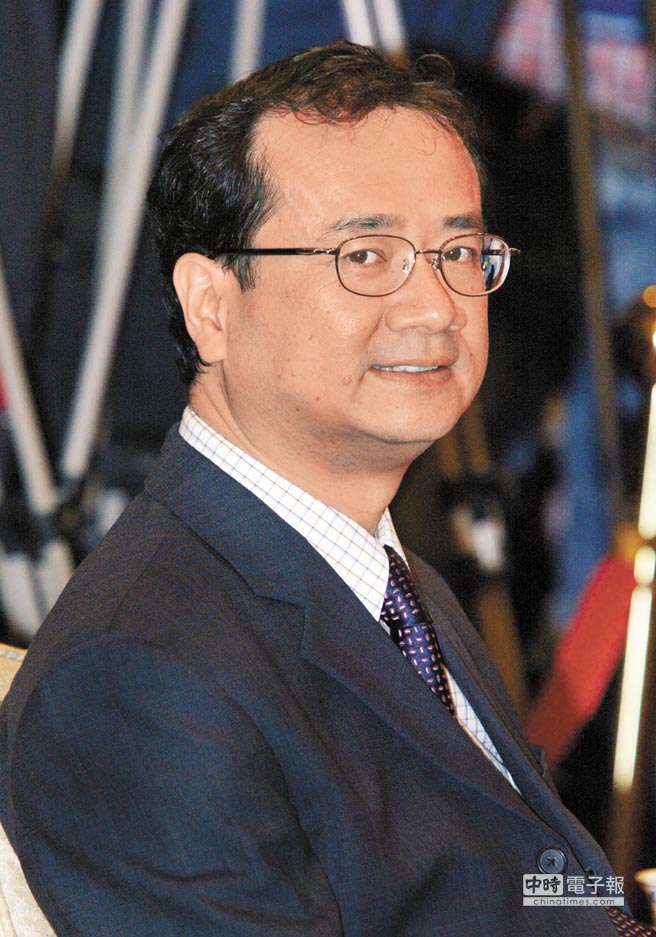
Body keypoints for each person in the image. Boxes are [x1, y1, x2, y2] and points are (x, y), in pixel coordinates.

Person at [0, 41, 637, 937]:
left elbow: (515, 874)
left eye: (459, 250)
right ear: (211, 306)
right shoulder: (138, 678)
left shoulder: (383, 575)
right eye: (366, 255)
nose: (436, 306)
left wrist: (633, 902)